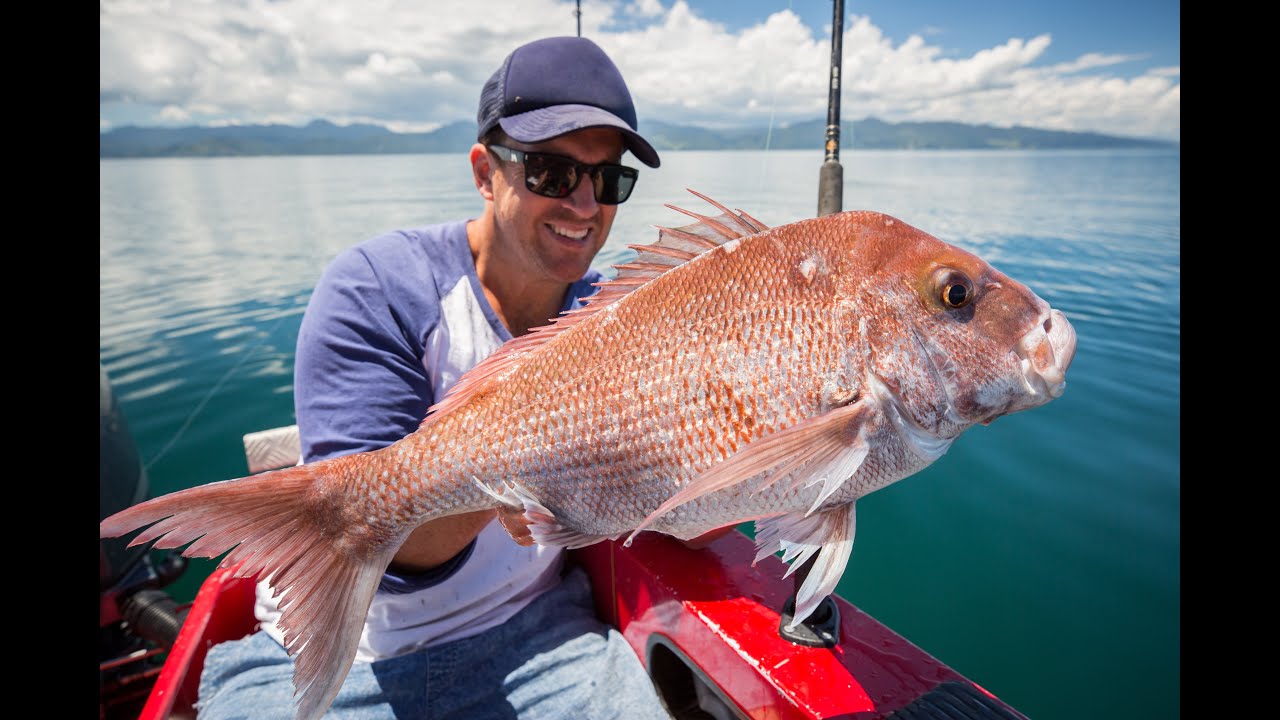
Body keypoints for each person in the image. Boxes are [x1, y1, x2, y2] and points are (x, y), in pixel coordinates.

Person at [196, 35, 733, 719]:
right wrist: (519, 452)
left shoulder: (618, 319)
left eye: (608, 179)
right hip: (343, 647)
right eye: (551, 173)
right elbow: (371, 545)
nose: (584, 205)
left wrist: (771, 452)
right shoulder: (379, 286)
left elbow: (687, 518)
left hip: (540, 634)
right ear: (485, 172)